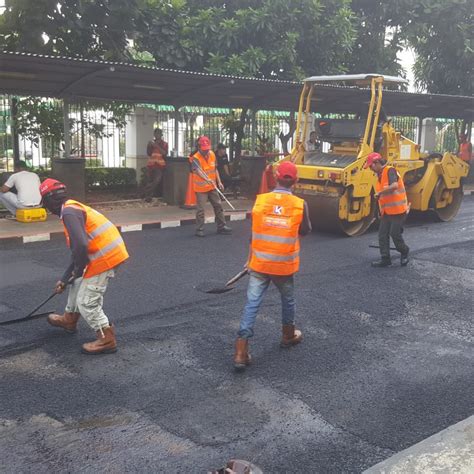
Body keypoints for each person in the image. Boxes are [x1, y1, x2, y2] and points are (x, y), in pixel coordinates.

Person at [233, 161, 312, 371]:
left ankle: (241, 351)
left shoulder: (260, 201)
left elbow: (253, 233)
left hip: (259, 263)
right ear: (295, 181)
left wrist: (249, 258)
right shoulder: (299, 204)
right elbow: (305, 230)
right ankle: (288, 335)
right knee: (287, 300)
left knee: (252, 304)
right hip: (283, 267)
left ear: (275, 177)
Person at [39, 178, 129, 355]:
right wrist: (66, 278)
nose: (48, 209)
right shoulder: (72, 208)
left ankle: (107, 339)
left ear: (50, 200)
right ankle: (69, 319)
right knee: (76, 282)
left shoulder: (69, 213)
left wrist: (77, 270)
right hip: (99, 254)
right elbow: (78, 252)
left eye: (46, 204)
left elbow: (81, 246)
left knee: (87, 301)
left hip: (105, 257)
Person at [364, 152, 410, 268]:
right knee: (382, 234)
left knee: (394, 234)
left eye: (371, 166)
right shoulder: (379, 175)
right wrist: (380, 210)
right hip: (387, 212)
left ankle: (404, 251)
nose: (371, 169)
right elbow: (384, 196)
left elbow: (394, 186)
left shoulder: (390, 171)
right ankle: (385, 259)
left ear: (377, 163)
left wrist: (380, 192)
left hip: (398, 210)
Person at [190, 136, 232, 237]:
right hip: (201, 188)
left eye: (207, 149)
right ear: (199, 147)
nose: (206, 151)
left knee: (218, 205)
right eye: (204, 149)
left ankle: (221, 226)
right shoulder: (195, 158)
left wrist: (219, 181)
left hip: (212, 186)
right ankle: (199, 229)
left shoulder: (212, 154)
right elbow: (197, 170)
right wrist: (206, 179)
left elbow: (215, 169)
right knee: (201, 209)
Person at [143, 128, 168, 202]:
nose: (157, 135)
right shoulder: (151, 143)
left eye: (159, 134)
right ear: (154, 135)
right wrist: (149, 146)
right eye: (156, 134)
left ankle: (146, 191)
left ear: (161, 135)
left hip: (159, 165)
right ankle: (148, 197)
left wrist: (156, 146)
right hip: (151, 164)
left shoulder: (164, 144)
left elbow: (164, 153)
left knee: (156, 181)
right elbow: (149, 153)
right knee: (150, 181)